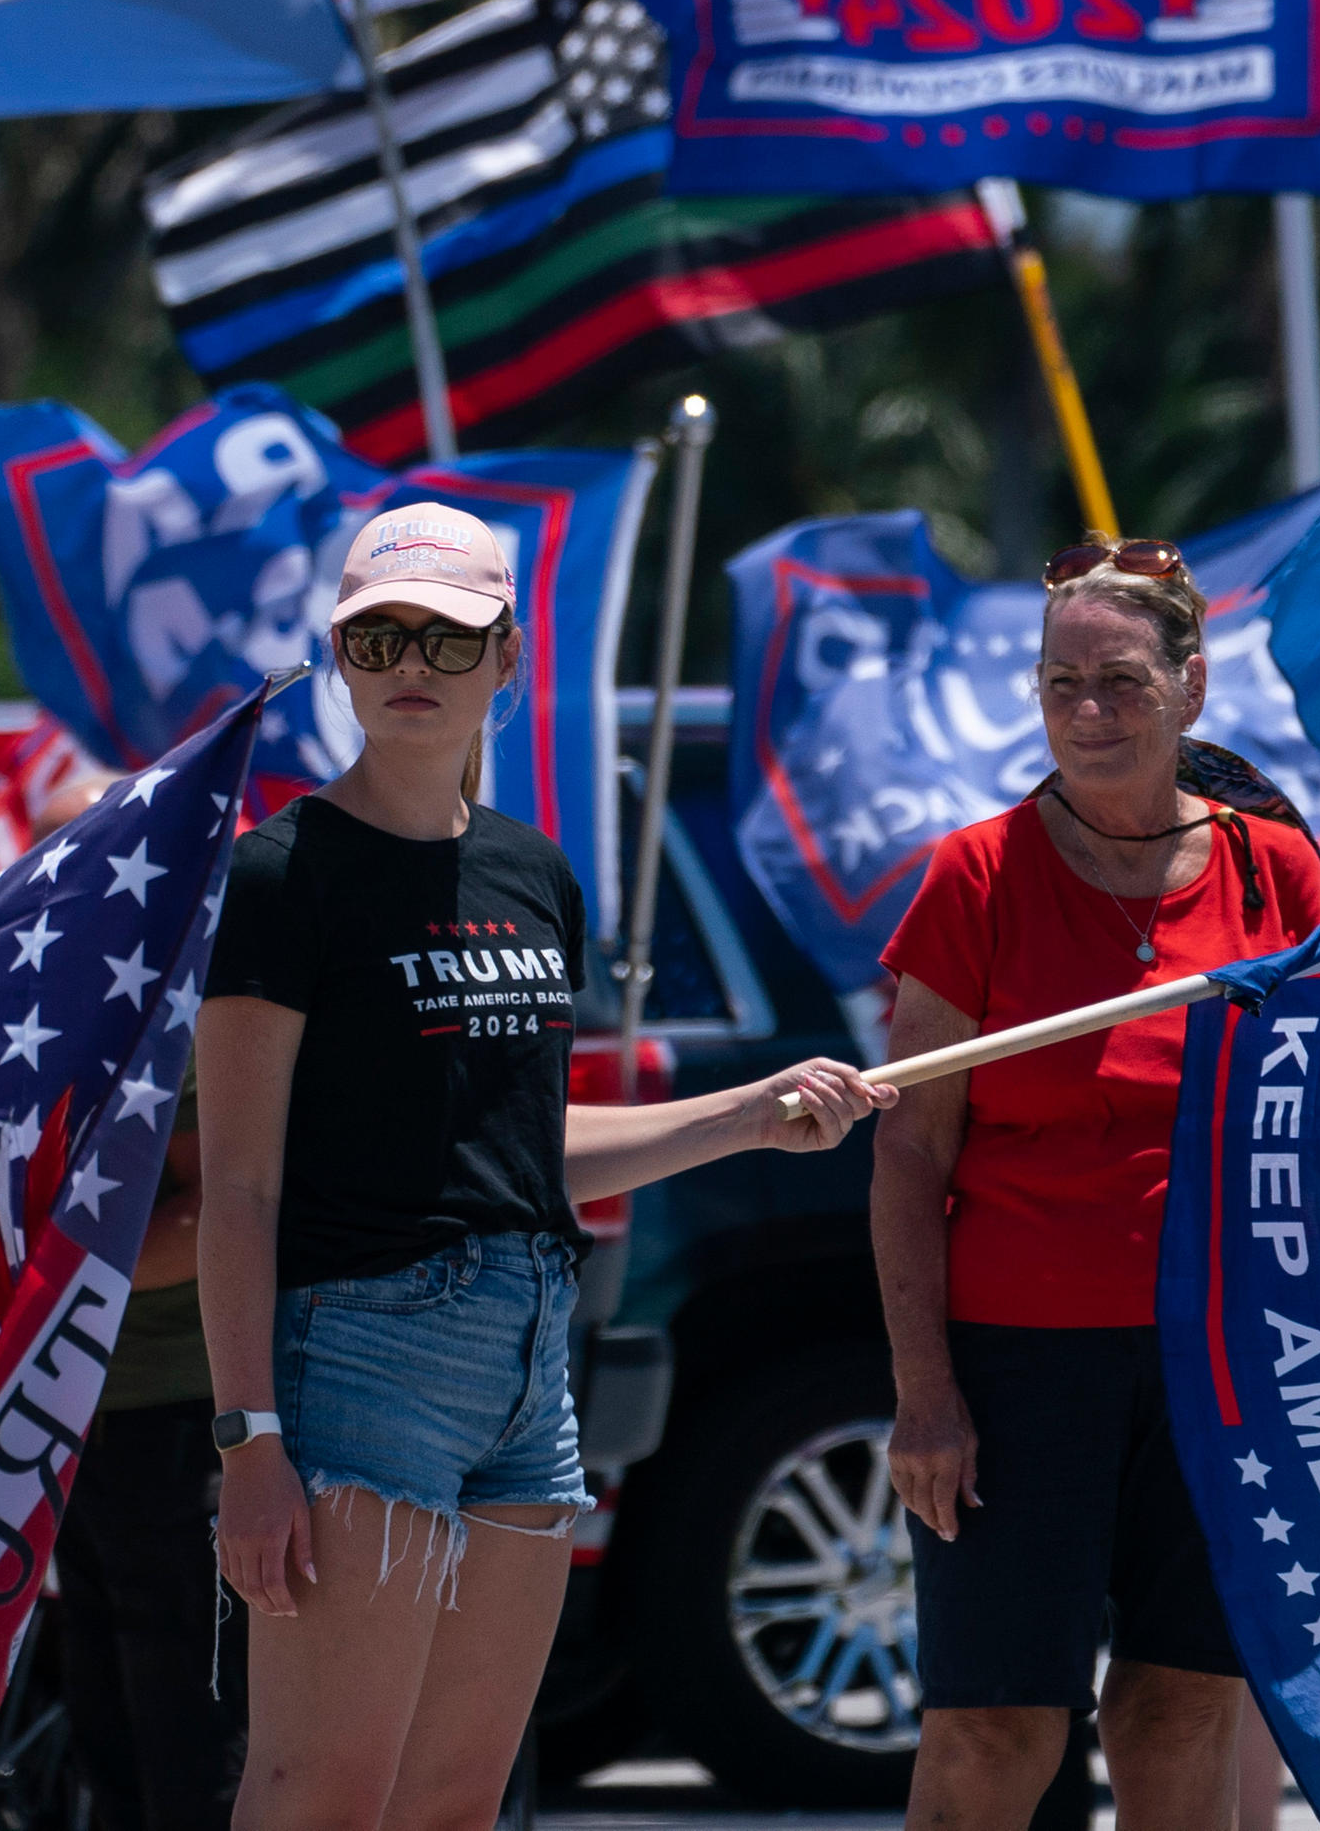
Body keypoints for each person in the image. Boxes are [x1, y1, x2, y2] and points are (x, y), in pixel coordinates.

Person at [200, 504, 888, 1831]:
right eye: (379, 635)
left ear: (507, 661)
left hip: (532, 1356)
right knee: (319, 1794)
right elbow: (240, 1183)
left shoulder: (536, 874)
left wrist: (747, 1112)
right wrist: (249, 1440)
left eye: (449, 640)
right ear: (339, 657)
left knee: (458, 1798)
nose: (413, 663)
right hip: (359, 1351)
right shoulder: (285, 874)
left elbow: (524, 1144)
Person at [870, 540, 1320, 1831]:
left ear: (1191, 688)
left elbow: (1319, 1115)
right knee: (991, 1727)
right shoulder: (976, 874)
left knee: (1178, 1708)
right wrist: (925, 1396)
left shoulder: (1271, 870)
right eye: (1060, 681)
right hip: (1015, 1363)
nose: (1087, 710)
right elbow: (909, 1152)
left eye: (1121, 682)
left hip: (1218, 1361)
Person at [58, 1086, 236, 1831]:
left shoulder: (176, 1018)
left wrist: (49, 1279)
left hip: (172, 1411)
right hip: (76, 1412)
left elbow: (214, 1209)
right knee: (115, 1735)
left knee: (189, 1743)